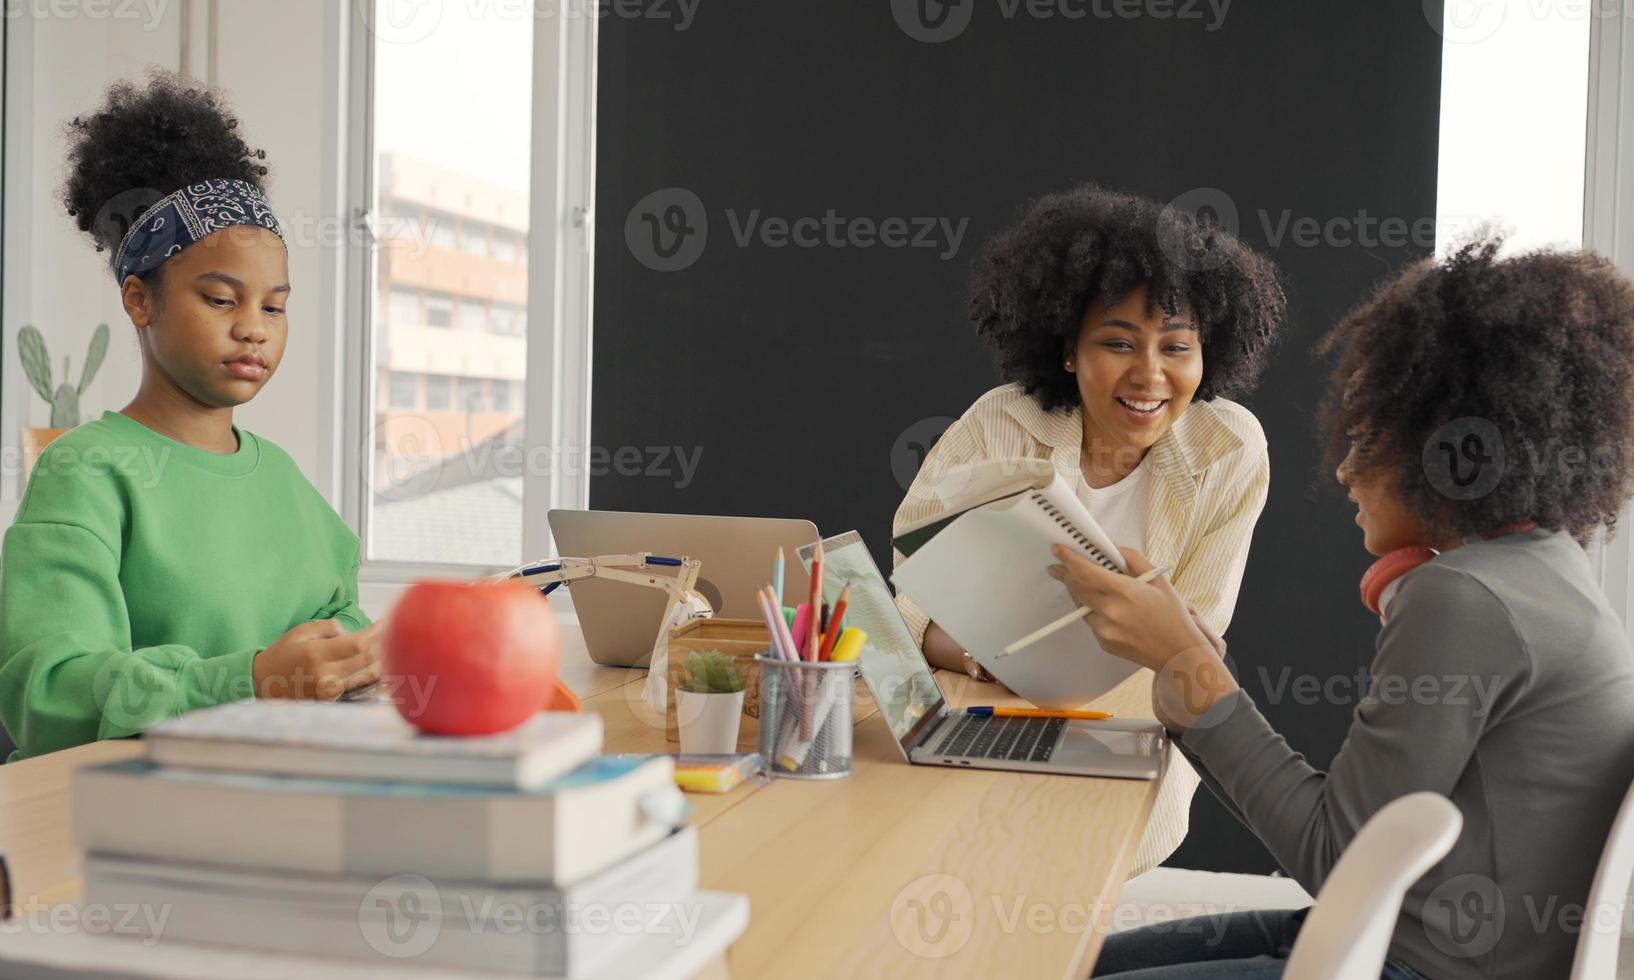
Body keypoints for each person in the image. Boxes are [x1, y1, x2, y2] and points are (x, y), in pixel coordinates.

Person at [1059, 238, 1634, 979]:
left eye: (1368, 439)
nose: (1344, 468)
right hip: (1389, 936)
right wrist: (1191, 668)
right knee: (1059, 960)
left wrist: (1189, 666)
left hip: (1404, 963)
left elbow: (1337, 857)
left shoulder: (1465, 600)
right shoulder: (1543, 568)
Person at [893, 184, 1286, 876]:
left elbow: (1194, 632)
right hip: (986, 712)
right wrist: (998, 661)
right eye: (1118, 343)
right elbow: (911, 589)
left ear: (1208, 355)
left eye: (1177, 347)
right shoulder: (999, 423)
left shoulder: (1232, 449)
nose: (1150, 374)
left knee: (1070, 886)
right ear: (1069, 351)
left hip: (1131, 724)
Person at [0, 72, 380, 761]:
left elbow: (338, 628)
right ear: (141, 301)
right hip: (108, 824)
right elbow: (48, 695)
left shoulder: (286, 482)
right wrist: (250, 681)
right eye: (219, 299)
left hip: (270, 805)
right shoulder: (86, 473)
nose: (254, 331)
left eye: (274, 306)